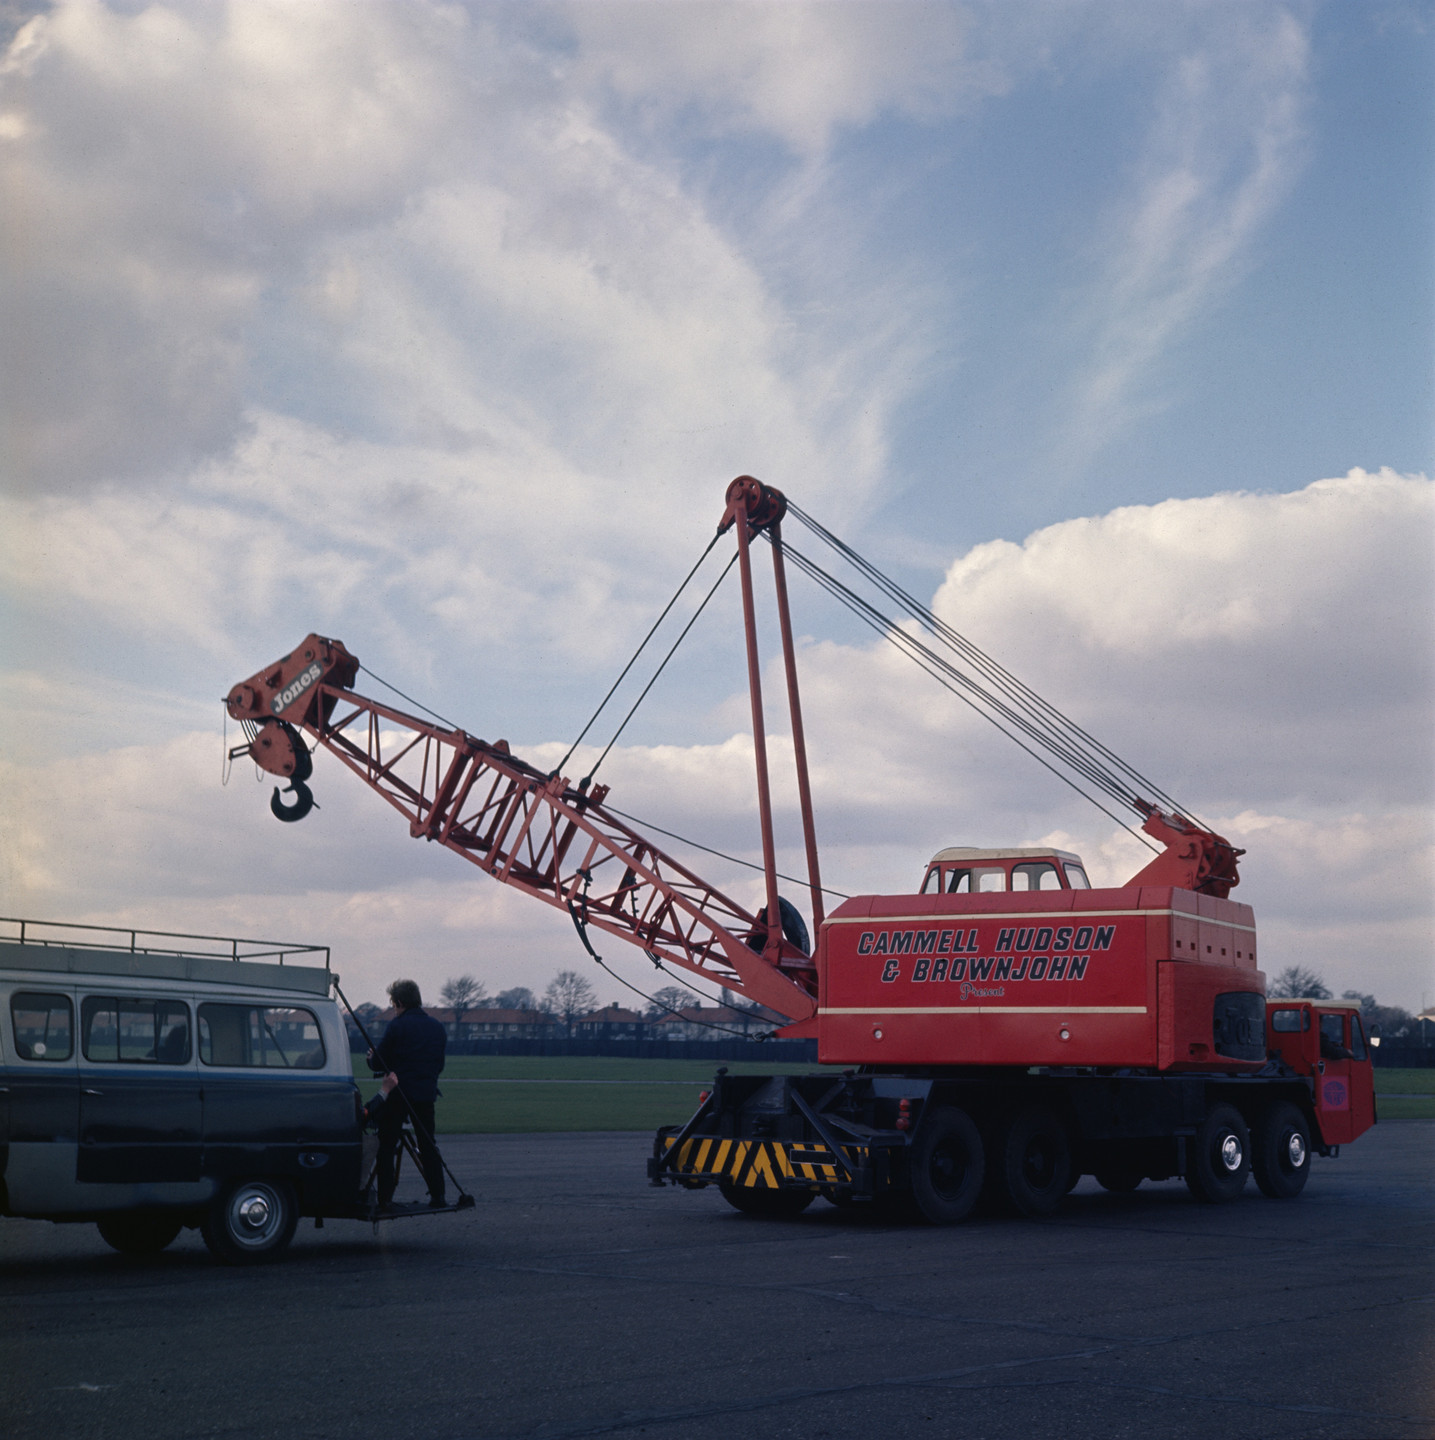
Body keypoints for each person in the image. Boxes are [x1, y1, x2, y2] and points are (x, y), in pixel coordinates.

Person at [368, 979, 448, 1209]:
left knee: (387, 1146)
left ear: (399, 1002)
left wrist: (370, 1058)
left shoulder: (397, 1026)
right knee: (428, 1145)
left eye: (394, 1004)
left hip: (398, 1096)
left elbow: (378, 1062)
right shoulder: (437, 1027)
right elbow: (439, 1065)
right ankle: (438, 1195)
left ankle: (385, 1197)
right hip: (425, 1094)